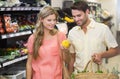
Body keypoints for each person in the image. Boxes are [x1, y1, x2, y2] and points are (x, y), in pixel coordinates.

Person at [68, 1, 119, 74]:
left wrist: (101, 55)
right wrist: (69, 75)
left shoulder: (102, 29)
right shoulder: (72, 33)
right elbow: (72, 58)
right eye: (74, 16)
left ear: (87, 12)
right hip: (78, 74)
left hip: (97, 74)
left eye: (79, 15)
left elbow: (115, 50)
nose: (76, 19)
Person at [26, 6, 67, 79]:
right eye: (49, 20)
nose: (52, 23)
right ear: (41, 19)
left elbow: (64, 60)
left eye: (54, 20)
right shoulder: (33, 38)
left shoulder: (60, 36)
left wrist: (65, 50)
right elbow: (29, 63)